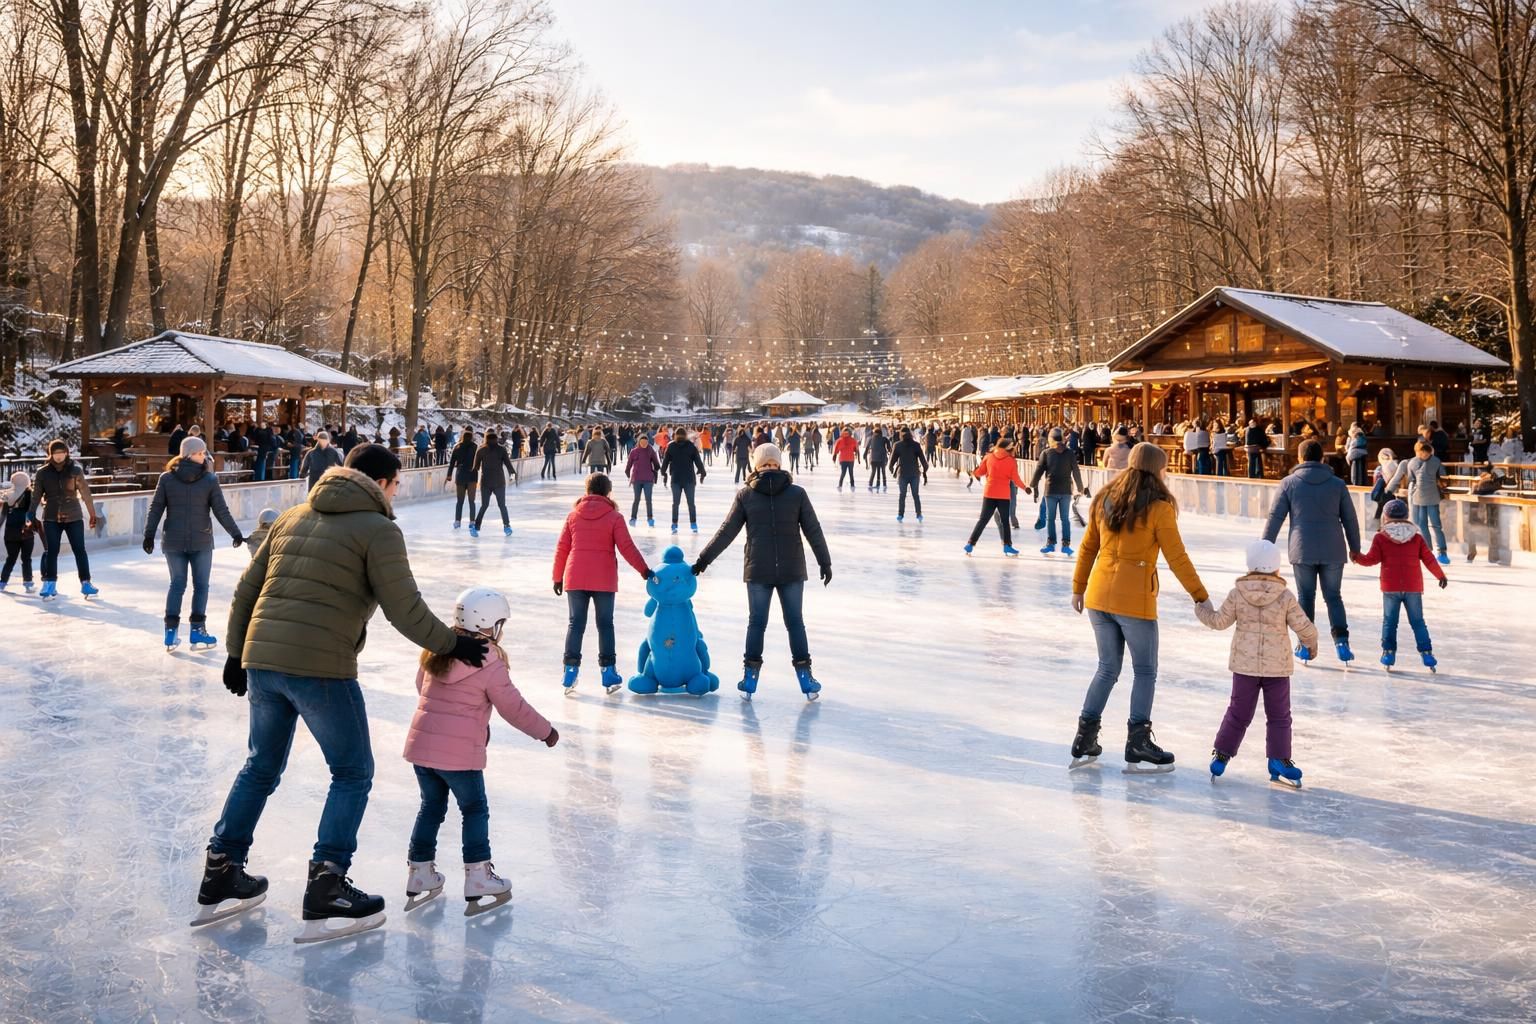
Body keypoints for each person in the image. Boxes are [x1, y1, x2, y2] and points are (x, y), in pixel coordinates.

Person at [196, 443, 490, 941]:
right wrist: (453, 644)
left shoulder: (292, 516)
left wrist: (235, 652)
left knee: (260, 766)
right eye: (395, 484)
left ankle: (221, 866)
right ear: (381, 482)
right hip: (320, 667)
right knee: (353, 772)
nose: (396, 494)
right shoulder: (378, 529)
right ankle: (327, 882)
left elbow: (248, 588)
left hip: (264, 660)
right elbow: (404, 608)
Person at [402, 586, 558, 915]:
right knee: (474, 809)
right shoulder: (488, 658)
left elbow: (421, 686)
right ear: (489, 623)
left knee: (431, 807)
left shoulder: (438, 646)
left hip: (422, 747)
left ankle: (419, 872)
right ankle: (478, 877)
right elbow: (513, 707)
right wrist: (545, 731)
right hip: (459, 754)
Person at [1068, 442, 1208, 773]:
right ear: (1157, 469)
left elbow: (1087, 548)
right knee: (1145, 671)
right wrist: (1199, 595)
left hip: (1099, 596)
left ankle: (1084, 739)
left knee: (1107, 668)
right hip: (1134, 601)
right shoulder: (1159, 507)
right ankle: (1138, 743)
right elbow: (1177, 557)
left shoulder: (1105, 497)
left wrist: (1079, 588)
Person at [693, 442, 832, 701]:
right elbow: (813, 530)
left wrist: (703, 560)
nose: (769, 467)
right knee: (792, 623)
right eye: (767, 464)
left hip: (761, 569)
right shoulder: (794, 493)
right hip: (789, 569)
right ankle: (801, 678)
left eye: (770, 463)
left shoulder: (748, 494)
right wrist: (825, 561)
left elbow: (727, 532)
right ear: (764, 465)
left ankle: (752, 678)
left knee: (759, 623)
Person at [1195, 538, 1319, 788]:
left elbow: (1219, 622)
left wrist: (1201, 609)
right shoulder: (1284, 596)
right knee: (1279, 716)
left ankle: (1221, 754)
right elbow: (1305, 627)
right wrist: (1311, 645)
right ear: (1276, 567)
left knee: (1238, 713)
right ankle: (1279, 760)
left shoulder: (1237, 594)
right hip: (1277, 668)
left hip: (1245, 667)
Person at [1262, 439, 1362, 663]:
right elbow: (1350, 519)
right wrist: (1355, 548)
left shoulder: (1289, 483)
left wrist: (1265, 546)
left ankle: (1306, 645)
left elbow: (1275, 517)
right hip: (1333, 549)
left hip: (1302, 548)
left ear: (1299, 458)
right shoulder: (1337, 484)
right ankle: (1342, 643)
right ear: (1322, 458)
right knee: (1333, 596)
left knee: (1306, 597)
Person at [552, 472, 652, 694]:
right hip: (603, 579)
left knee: (575, 624)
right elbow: (627, 547)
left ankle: (570, 672)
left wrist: (557, 577)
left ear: (587, 490)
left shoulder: (573, 516)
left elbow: (562, 548)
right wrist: (644, 570)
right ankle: (608, 672)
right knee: (605, 624)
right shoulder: (614, 517)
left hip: (575, 577)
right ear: (608, 491)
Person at [143, 436, 246, 651]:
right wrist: (148, 534)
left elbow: (220, 510)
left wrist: (235, 533)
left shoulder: (202, 479)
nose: (203, 456)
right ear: (188, 454)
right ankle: (181, 631)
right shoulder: (182, 479)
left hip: (185, 541)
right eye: (200, 453)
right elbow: (156, 508)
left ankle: (183, 631)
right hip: (195, 541)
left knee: (187, 585)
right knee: (188, 585)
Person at [1353, 498, 1448, 671]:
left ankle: (1388, 653)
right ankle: (1427, 653)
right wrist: (1440, 575)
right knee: (1418, 622)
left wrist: (1356, 557)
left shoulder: (1381, 537)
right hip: (1413, 587)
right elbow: (1429, 559)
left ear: (1385, 516)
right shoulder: (1416, 537)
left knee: (1390, 622)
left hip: (1390, 587)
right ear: (1406, 516)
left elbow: (1371, 559)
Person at [27, 439, 99, 600]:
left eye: (61, 452)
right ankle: (50, 583)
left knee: (79, 550)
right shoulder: (43, 473)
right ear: (50, 454)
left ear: (66, 453)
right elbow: (36, 495)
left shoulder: (75, 470)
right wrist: (30, 513)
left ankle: (86, 582)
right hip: (51, 517)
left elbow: (86, 493)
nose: (59, 456)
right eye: (55, 453)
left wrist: (92, 514)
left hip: (74, 516)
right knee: (52, 551)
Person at [1385, 440, 1450, 564]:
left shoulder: (1435, 462)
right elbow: (1410, 479)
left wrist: (1442, 483)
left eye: (1427, 452)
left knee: (1435, 524)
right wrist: (1388, 491)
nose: (1424, 455)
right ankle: (1427, 550)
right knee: (1421, 524)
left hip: (1431, 496)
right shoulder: (1411, 463)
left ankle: (1441, 551)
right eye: (1422, 452)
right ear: (1417, 452)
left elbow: (1442, 477)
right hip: (1418, 496)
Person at [1028, 427, 1088, 555]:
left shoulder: (1047, 453)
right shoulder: (1068, 453)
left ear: (1050, 439)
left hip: (1052, 490)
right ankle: (1064, 544)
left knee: (1052, 518)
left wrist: (1032, 484)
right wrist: (1080, 487)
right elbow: (1076, 471)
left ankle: (1052, 543)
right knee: (1064, 519)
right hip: (1064, 491)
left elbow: (1039, 470)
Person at [964, 438, 1026, 556]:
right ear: (1008, 448)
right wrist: (1025, 488)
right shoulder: (1011, 461)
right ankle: (1007, 546)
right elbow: (1016, 479)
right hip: (1003, 495)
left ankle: (970, 544)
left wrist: (974, 472)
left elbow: (981, 471)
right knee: (1005, 521)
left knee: (983, 520)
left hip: (989, 493)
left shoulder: (989, 457)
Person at [661, 426, 707, 534]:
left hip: (676, 479)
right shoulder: (690, 446)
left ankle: (675, 524)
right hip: (688, 479)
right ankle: (693, 523)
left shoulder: (671, 446)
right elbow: (698, 461)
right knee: (691, 503)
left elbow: (665, 461)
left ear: (675, 435)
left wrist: (663, 472)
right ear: (686, 435)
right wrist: (702, 471)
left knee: (676, 503)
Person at [471, 430, 515, 538]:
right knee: (502, 505)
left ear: (486, 439)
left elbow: (475, 467)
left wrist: (471, 480)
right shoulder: (501, 449)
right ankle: (507, 526)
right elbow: (508, 464)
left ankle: (476, 527)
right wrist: (513, 475)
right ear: (496, 439)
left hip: (486, 482)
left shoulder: (481, 450)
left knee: (484, 505)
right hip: (499, 482)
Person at [1, 471, 35, 592]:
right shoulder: (30, 494)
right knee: (26, 559)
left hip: (10, 533)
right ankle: (28, 583)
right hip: (25, 532)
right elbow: (31, 513)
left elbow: (3, 515)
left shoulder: (7, 495)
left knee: (11, 558)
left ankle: (2, 582)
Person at [888, 427, 929, 522]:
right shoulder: (916, 445)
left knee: (902, 495)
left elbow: (892, 460)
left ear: (900, 434)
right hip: (914, 474)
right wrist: (924, 471)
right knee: (915, 495)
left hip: (903, 474)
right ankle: (918, 514)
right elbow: (923, 460)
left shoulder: (897, 445)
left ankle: (900, 514)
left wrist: (891, 468)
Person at [625, 432, 661, 527]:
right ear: (639, 442)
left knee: (648, 500)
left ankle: (650, 518)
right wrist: (628, 473)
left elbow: (657, 464)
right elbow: (629, 465)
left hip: (648, 479)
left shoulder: (650, 450)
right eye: (642, 442)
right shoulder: (634, 451)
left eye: (646, 442)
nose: (644, 444)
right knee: (636, 499)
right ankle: (633, 518)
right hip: (637, 479)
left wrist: (654, 470)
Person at [1369, 447, 1398, 522]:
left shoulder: (1382, 468)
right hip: (1392, 494)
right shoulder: (1396, 465)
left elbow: (1377, 481)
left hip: (1384, 494)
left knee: (1381, 513)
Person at [865, 426, 891, 491]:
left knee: (873, 472)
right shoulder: (884, 439)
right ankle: (884, 485)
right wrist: (889, 451)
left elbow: (867, 448)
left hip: (873, 458)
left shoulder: (871, 439)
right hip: (882, 458)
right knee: (883, 471)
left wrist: (865, 455)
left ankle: (870, 484)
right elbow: (889, 447)